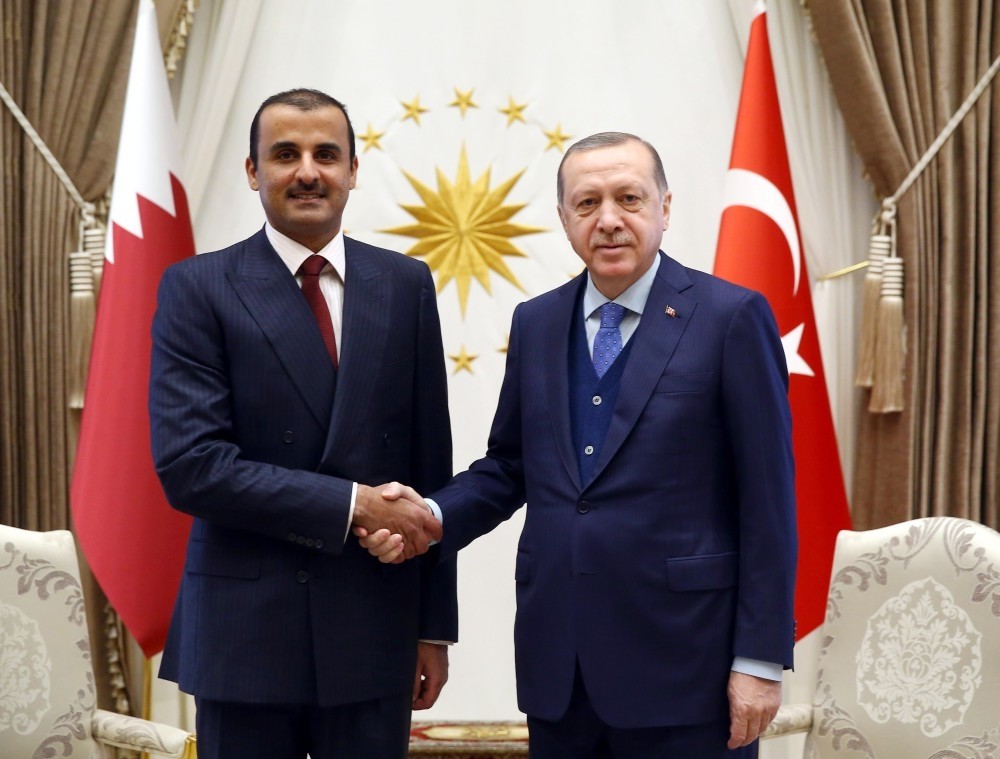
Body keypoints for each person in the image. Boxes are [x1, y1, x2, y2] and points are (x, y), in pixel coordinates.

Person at [360, 132, 796, 758]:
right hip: (559, 668)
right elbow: (510, 466)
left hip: (688, 669)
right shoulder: (536, 322)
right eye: (587, 203)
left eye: (629, 198)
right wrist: (428, 516)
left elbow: (769, 501)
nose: (609, 220)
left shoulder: (731, 318)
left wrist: (759, 659)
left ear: (665, 208)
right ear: (564, 218)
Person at [149, 88, 455, 759]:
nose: (308, 170)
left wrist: (433, 626)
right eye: (285, 154)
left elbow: (431, 464)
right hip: (244, 637)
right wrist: (351, 505)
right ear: (253, 171)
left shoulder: (405, 285)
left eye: (326, 154)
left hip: (375, 626)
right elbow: (192, 466)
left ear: (353, 168)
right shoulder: (197, 287)